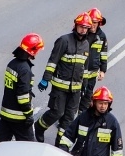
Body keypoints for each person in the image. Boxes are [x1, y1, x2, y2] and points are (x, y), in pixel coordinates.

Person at [34, 12, 92, 146]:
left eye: (86, 27)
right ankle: (40, 127)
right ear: (76, 26)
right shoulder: (64, 40)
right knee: (57, 113)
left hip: (76, 89)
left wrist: (85, 86)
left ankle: (60, 144)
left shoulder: (86, 45)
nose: (83, 29)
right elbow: (53, 61)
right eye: (81, 26)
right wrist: (45, 79)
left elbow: (85, 68)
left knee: (69, 118)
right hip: (60, 87)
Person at [58, 86, 123, 156]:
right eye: (100, 103)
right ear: (94, 102)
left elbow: (117, 147)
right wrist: (63, 150)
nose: (103, 106)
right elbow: (69, 135)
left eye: (105, 103)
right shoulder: (84, 117)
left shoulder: (112, 122)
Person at [0, 33, 44, 146]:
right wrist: (29, 114)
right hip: (19, 117)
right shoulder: (25, 70)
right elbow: (23, 97)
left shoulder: (12, 64)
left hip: (6, 113)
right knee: (29, 148)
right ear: (32, 50)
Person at [78, 8, 109, 113]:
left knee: (87, 97)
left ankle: (80, 119)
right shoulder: (82, 33)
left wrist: (103, 70)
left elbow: (103, 54)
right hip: (79, 72)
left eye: (95, 22)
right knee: (74, 96)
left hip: (91, 74)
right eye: (91, 22)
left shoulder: (101, 37)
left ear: (99, 23)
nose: (93, 25)